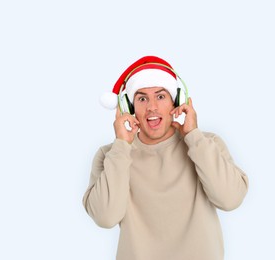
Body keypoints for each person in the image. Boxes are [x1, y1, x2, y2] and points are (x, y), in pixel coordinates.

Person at [82, 55, 249, 260]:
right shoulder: (111, 155)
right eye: (142, 98)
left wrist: (193, 137)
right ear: (129, 107)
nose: (152, 107)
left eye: (160, 96)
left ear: (176, 102)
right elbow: (105, 217)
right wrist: (122, 146)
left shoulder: (207, 144)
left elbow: (230, 199)